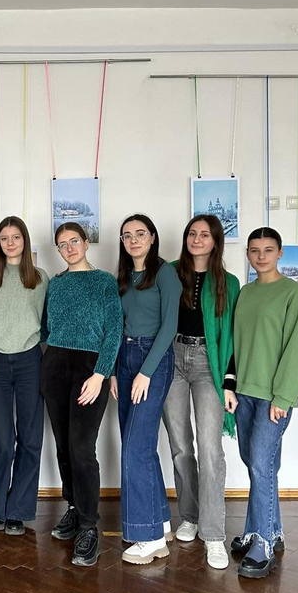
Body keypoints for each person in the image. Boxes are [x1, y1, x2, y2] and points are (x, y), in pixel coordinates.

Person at [226, 227, 298, 578]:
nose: (261, 256)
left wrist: (284, 397)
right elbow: (235, 344)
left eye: (268, 250)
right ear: (247, 254)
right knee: (256, 464)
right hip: (244, 393)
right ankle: (266, 530)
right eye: (254, 250)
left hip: (272, 397)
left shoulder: (293, 294)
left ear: (280, 253)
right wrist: (230, 386)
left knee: (262, 465)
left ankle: (262, 543)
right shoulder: (245, 294)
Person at [41, 222, 122, 567]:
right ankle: (73, 507)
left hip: (90, 368)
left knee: (81, 448)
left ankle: (89, 526)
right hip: (55, 365)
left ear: (86, 243)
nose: (69, 248)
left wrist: (101, 374)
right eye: (62, 244)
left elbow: (114, 330)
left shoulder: (104, 282)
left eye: (74, 241)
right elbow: (45, 328)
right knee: (63, 445)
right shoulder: (55, 284)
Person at [161, 216, 240, 569]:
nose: (197, 239)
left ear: (215, 241)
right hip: (173, 359)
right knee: (180, 446)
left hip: (210, 362)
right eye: (192, 233)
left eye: (204, 234)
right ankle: (189, 517)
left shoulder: (229, 282)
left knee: (210, 450)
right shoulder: (169, 272)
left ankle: (213, 534)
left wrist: (229, 382)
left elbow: (234, 336)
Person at [112, 214, 180, 565]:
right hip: (125, 357)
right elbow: (118, 324)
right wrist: (114, 371)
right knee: (139, 445)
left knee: (135, 450)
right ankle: (161, 522)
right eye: (127, 235)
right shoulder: (124, 276)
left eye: (140, 233)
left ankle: (148, 538)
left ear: (152, 237)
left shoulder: (165, 273)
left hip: (152, 358)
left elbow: (169, 326)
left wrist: (146, 372)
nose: (134, 240)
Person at [0, 217, 48, 536]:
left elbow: (45, 321)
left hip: (29, 359)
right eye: (4, 238)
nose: (10, 243)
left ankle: (18, 510)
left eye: (16, 237)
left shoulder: (40, 278)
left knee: (30, 438)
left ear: (25, 240)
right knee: (2, 440)